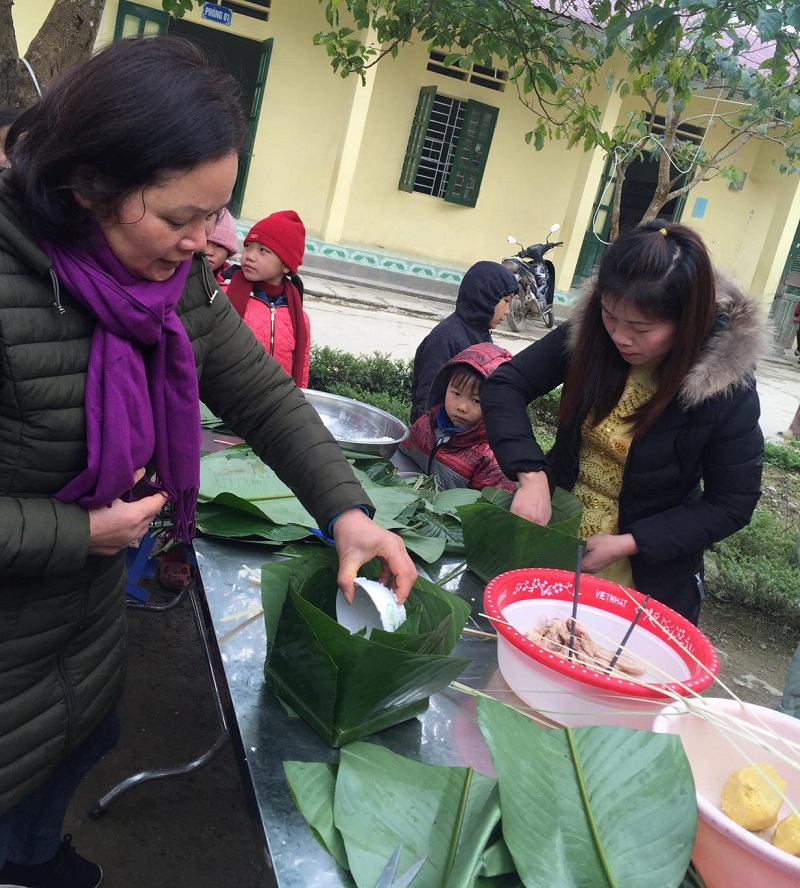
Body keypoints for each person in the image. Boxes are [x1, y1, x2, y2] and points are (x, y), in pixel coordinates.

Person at [0, 35, 415, 888]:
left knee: (81, 744)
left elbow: (260, 393)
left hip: (78, 636)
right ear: (89, 186)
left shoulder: (166, 276)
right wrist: (76, 531)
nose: (206, 241)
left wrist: (347, 510)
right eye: (180, 216)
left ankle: (38, 855)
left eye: (215, 215)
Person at [481, 221, 765, 625]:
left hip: (647, 575)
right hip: (557, 538)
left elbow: (732, 502)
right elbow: (506, 385)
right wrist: (531, 474)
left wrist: (630, 543)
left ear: (688, 322)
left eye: (641, 328)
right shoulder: (591, 335)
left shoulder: (724, 386)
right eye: (611, 316)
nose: (620, 336)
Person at [409, 260, 518, 423]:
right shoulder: (445, 339)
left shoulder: (481, 333)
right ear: (486, 297)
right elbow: (426, 404)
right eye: (506, 301)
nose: (508, 310)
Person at [400, 342, 515, 493]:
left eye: (476, 401)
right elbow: (402, 456)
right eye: (456, 393)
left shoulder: (492, 458)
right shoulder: (425, 424)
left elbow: (488, 508)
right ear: (444, 388)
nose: (462, 407)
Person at [226, 211, 311, 387]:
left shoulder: (299, 318)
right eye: (248, 246)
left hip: (277, 404)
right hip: (229, 399)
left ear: (286, 265)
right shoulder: (224, 296)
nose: (249, 255)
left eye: (263, 250)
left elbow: (301, 369)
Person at [203, 206, 238, 291]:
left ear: (228, 253)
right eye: (205, 242)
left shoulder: (231, 284)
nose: (209, 251)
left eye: (219, 245)